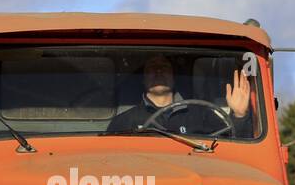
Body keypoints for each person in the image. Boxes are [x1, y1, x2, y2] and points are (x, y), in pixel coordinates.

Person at [106, 55, 254, 138]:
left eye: (164, 67)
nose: (158, 71)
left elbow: (234, 151)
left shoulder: (202, 114)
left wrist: (240, 115)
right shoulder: (124, 122)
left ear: (174, 77)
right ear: (143, 79)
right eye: (152, 68)